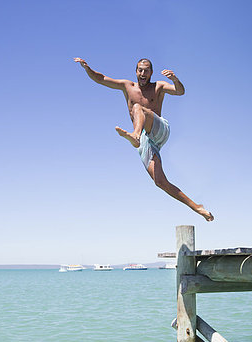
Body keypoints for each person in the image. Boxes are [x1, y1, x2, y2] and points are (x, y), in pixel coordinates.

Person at [74, 57, 214, 222]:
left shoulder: (159, 87)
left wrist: (175, 79)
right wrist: (87, 68)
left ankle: (135, 135)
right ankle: (197, 207)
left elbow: (180, 91)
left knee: (137, 108)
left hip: (159, 129)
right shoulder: (127, 86)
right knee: (160, 182)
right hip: (147, 141)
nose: (143, 73)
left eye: (146, 70)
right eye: (140, 70)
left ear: (151, 73)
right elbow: (101, 78)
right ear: (136, 72)